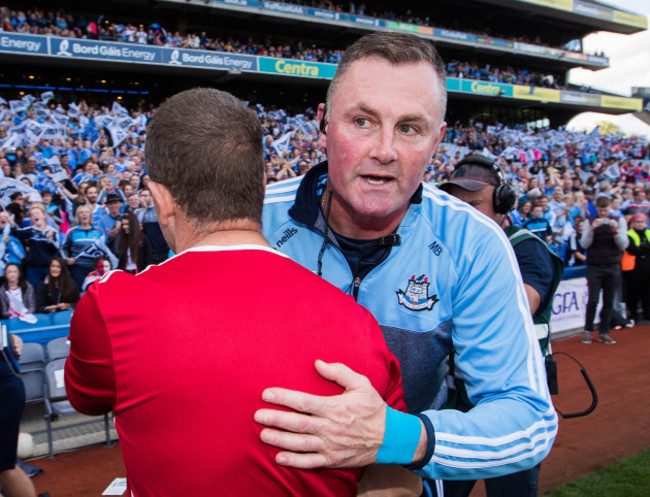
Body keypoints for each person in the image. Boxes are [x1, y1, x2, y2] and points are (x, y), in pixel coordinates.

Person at [65, 88, 410, 497]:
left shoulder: (110, 306)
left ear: (161, 199)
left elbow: (88, 399)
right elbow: (398, 478)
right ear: (260, 185)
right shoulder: (359, 322)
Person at [259, 32, 556, 492]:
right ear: (322, 124)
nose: (384, 150)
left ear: (437, 141)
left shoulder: (474, 243)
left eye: (409, 128)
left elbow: (528, 420)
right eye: (362, 121)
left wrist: (395, 438)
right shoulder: (251, 218)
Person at [439, 154, 564, 497]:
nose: (462, 212)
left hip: (511, 401)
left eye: (474, 203)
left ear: (502, 204)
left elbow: (519, 304)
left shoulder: (527, 248)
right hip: (458, 397)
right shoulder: (448, 250)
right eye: (455, 203)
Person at [580, 195, 628, 344]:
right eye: (600, 210)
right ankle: (588, 330)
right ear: (597, 209)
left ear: (610, 208)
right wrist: (592, 230)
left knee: (608, 301)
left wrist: (615, 231)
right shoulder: (590, 221)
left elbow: (623, 244)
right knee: (593, 300)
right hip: (594, 266)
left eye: (605, 210)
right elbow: (584, 244)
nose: (603, 214)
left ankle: (604, 331)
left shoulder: (619, 220)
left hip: (612, 265)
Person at [0, 332, 38, 497]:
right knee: (5, 466)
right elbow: (11, 339)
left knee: (6, 466)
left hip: (5, 390)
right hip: (9, 388)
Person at [61, 205, 115, 288]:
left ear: (90, 215)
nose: (84, 214)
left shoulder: (98, 232)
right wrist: (67, 258)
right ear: (78, 216)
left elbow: (103, 248)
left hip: (95, 268)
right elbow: (64, 247)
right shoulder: (72, 231)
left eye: (86, 212)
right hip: (78, 267)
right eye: (81, 213)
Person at [10, 204, 61, 290]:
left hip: (48, 267)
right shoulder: (29, 230)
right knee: (33, 290)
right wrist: (10, 220)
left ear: (44, 215)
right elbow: (15, 232)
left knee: (49, 291)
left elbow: (55, 249)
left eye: (37, 213)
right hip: (33, 268)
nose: (35, 216)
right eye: (32, 215)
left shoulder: (52, 231)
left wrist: (49, 239)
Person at [622, 213, 650, 322]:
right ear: (633, 223)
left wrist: (642, 248)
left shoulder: (648, 233)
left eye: (642, 222)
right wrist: (646, 248)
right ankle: (633, 314)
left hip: (647, 267)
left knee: (647, 293)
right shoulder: (629, 234)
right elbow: (632, 249)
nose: (640, 224)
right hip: (633, 268)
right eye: (637, 222)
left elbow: (639, 249)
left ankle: (647, 313)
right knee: (633, 292)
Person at [134, 189, 169, 264]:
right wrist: (144, 209)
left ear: (152, 196)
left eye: (145, 195)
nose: (143, 198)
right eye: (141, 196)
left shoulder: (158, 210)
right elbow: (137, 224)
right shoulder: (138, 212)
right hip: (148, 248)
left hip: (161, 247)